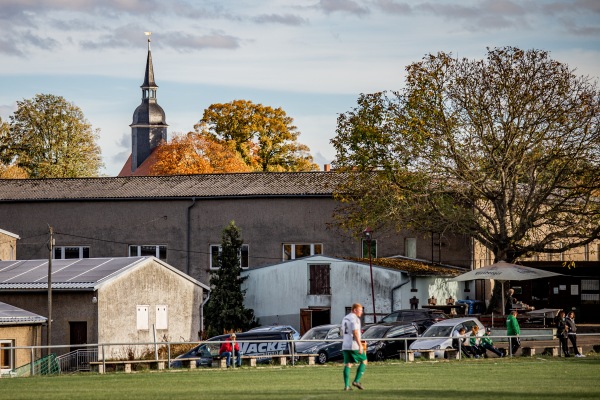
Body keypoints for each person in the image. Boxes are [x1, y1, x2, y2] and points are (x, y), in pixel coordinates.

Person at [341, 303, 367, 391]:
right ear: (355, 310)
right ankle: (356, 381)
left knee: (348, 364)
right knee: (364, 361)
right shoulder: (355, 319)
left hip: (345, 344)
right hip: (354, 345)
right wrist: (360, 345)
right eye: (360, 310)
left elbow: (341, 331)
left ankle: (347, 386)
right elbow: (355, 332)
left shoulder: (345, 318)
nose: (361, 312)